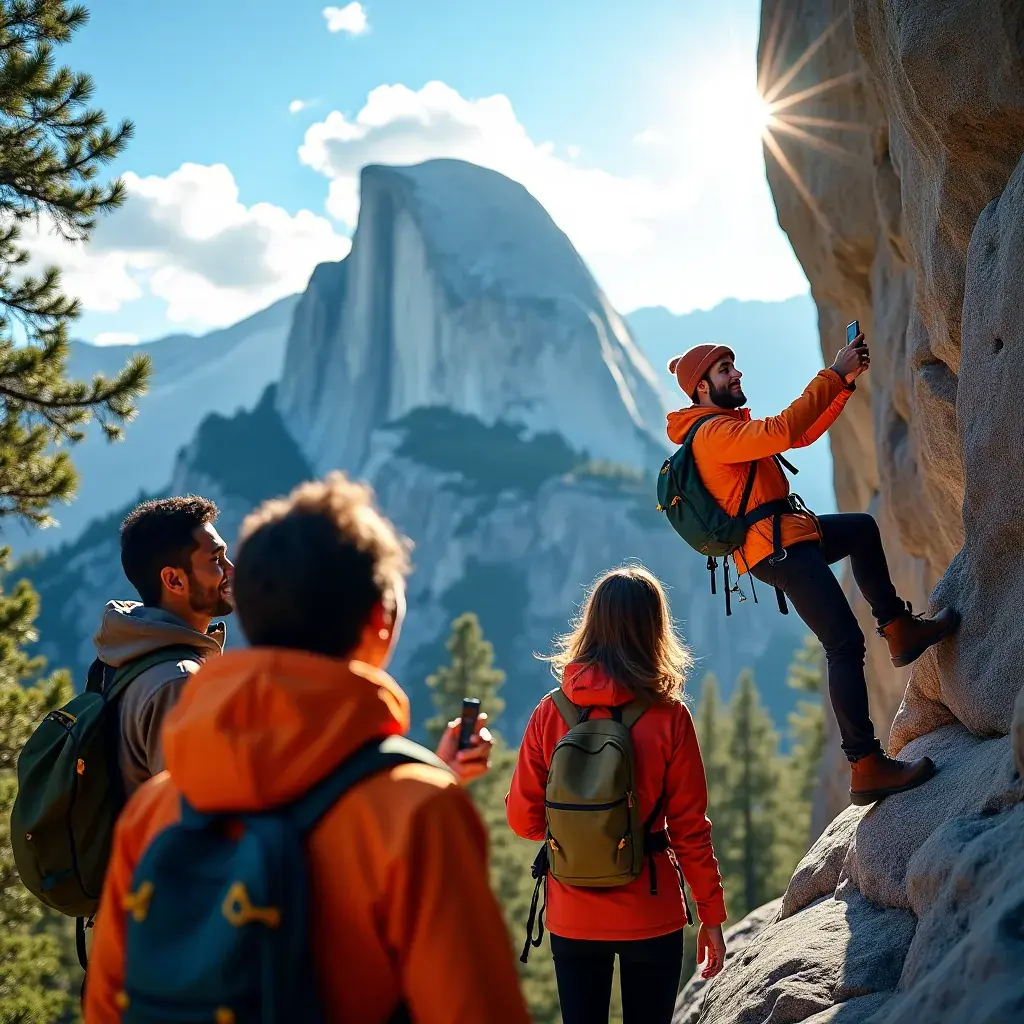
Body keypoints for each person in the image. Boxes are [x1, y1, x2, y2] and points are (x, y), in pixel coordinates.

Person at [84, 472, 526, 1024]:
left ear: (252, 613)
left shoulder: (151, 813)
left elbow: (106, 1007)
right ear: (381, 622)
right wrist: (424, 784)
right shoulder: (421, 815)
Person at [664, 333, 959, 805]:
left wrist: (843, 385)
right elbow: (783, 431)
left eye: (733, 366)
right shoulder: (714, 435)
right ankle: (866, 765)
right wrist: (834, 374)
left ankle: (899, 629)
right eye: (724, 370)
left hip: (790, 534)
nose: (736, 374)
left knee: (861, 530)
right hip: (776, 549)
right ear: (702, 387)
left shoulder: (726, 426)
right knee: (843, 644)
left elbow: (798, 436)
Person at [506, 565, 727, 1024]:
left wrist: (579, 831)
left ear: (591, 624)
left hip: (572, 912)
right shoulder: (670, 717)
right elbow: (690, 830)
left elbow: (524, 821)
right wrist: (711, 914)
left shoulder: (551, 711)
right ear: (655, 629)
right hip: (650, 910)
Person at [97, 495, 235, 797]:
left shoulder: (129, 656)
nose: (231, 569)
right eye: (216, 560)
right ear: (174, 580)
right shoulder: (178, 683)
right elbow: (192, 811)